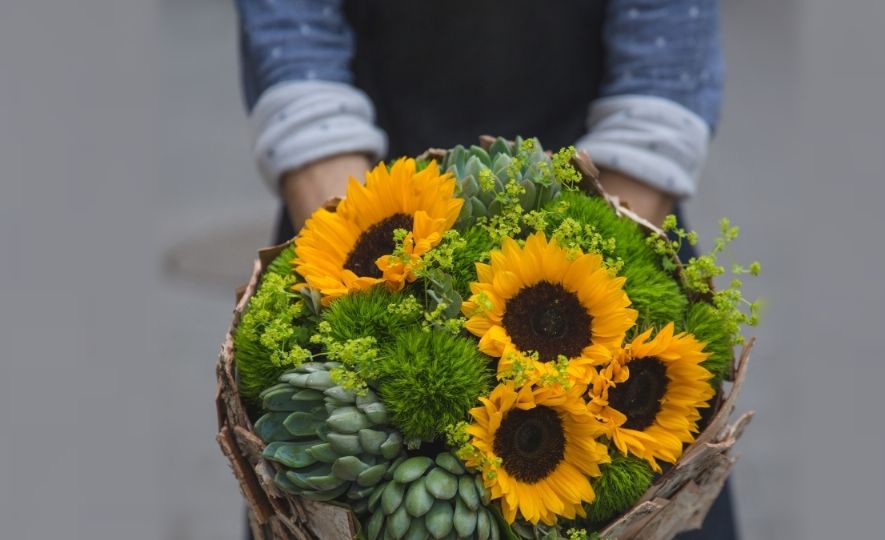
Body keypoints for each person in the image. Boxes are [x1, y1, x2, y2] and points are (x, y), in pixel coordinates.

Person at [233, 1, 733, 538]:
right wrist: (363, 285)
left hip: (614, 206)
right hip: (358, 208)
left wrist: (606, 241)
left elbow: (667, 56)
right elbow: (293, 32)